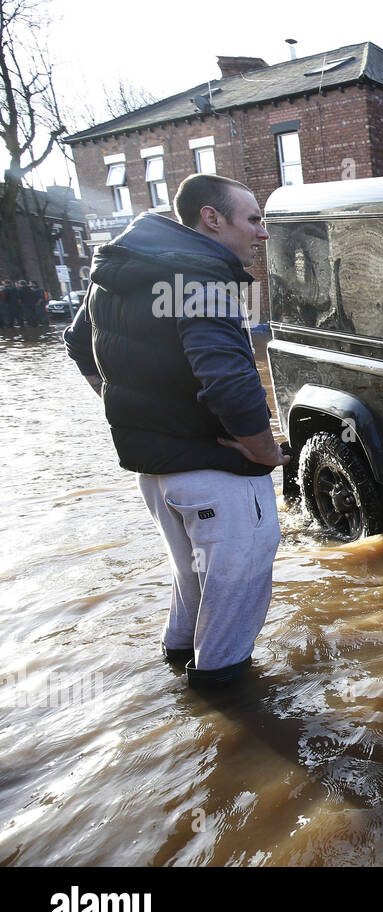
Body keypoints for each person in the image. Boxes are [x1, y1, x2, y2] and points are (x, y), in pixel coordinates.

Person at [64, 173, 284, 688]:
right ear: (212, 218)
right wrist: (264, 451)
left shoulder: (121, 269)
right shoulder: (202, 275)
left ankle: (177, 694)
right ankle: (231, 721)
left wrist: (133, 409)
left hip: (158, 476)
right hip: (216, 474)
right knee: (233, 602)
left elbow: (77, 343)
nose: (262, 234)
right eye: (253, 220)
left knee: (191, 584)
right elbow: (231, 380)